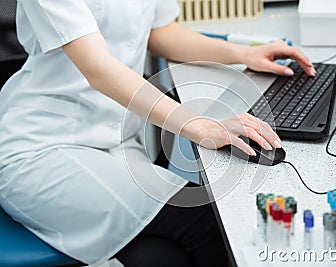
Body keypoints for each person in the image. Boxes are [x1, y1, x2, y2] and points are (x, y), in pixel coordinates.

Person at [0, 0, 315, 266]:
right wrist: (200, 125)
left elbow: (160, 31)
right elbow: (98, 68)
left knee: (163, 256)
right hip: (44, 148)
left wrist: (242, 54)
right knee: (204, 219)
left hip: (117, 145)